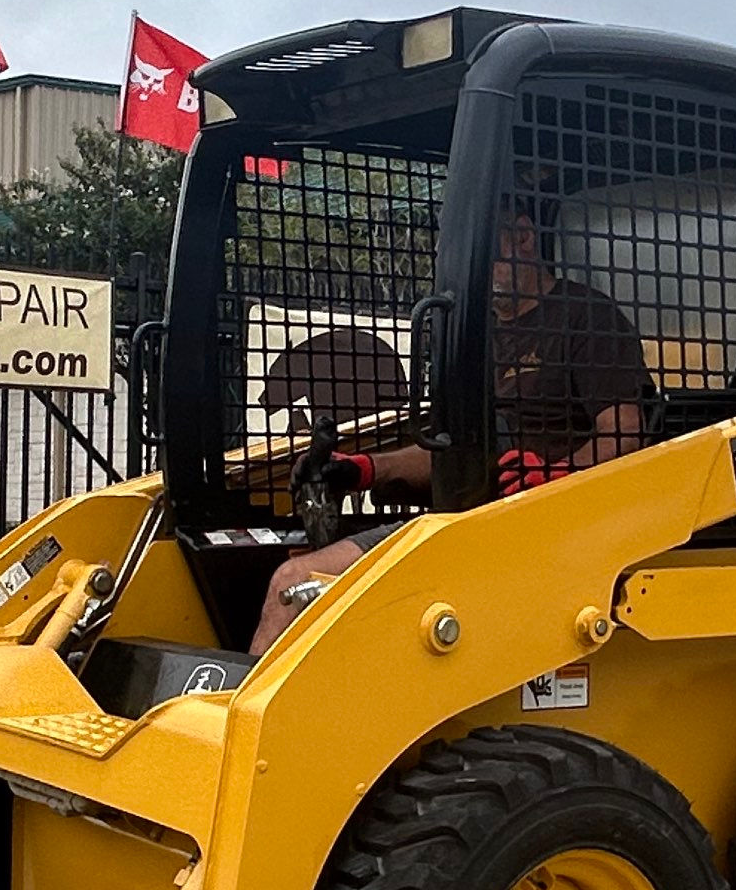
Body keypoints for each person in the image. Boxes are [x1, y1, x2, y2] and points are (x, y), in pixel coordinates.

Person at [249, 201, 650, 650]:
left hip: (549, 531)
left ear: (522, 238)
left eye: (478, 251)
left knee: (293, 585)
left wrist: (558, 476)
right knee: (293, 573)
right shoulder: (471, 335)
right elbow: (448, 447)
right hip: (467, 522)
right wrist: (366, 468)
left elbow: (624, 431)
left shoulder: (584, 316)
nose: (467, 268)